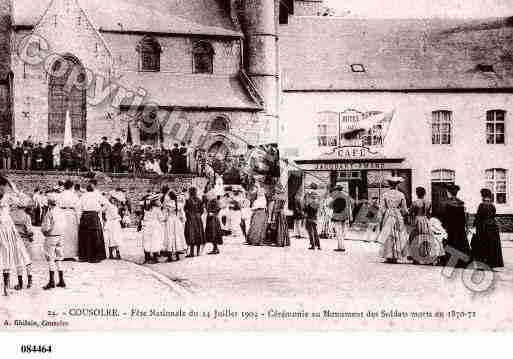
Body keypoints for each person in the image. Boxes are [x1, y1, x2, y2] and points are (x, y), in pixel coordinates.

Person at [376, 177, 409, 263]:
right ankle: (397, 254)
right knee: (398, 234)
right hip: (397, 214)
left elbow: (382, 208)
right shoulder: (401, 195)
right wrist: (403, 214)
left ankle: (389, 255)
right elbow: (404, 209)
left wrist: (380, 217)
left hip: (388, 214)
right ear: (397, 184)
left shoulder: (385, 194)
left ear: (389, 184)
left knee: (388, 234)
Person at [409, 187, 444, 265]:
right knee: (427, 238)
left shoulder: (414, 203)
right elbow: (429, 214)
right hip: (426, 220)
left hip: (417, 219)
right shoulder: (428, 202)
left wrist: (411, 220)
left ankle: (416, 258)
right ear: (424, 194)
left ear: (417, 193)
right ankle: (428, 257)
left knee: (416, 238)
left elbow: (411, 213)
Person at [471, 188, 504, 270]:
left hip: (484, 227)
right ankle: (491, 264)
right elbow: (493, 216)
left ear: (483, 196)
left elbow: (478, 217)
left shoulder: (482, 205)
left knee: (482, 245)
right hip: (493, 228)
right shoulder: (492, 205)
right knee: (492, 246)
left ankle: (482, 264)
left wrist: (474, 225)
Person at [440, 184, 471, 267]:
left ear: (449, 192)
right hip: (460, 228)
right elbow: (464, 217)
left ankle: (452, 261)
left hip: (451, 227)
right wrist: (466, 226)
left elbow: (445, 217)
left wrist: (444, 226)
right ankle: (462, 261)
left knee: (451, 242)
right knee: (461, 243)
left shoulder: (447, 203)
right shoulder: (461, 203)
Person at [41, 194, 66, 290]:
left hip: (51, 236)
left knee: (50, 259)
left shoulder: (49, 213)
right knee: (59, 258)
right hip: (60, 236)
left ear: (49, 203)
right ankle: (61, 280)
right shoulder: (61, 212)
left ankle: (52, 281)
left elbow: (46, 227)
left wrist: (43, 231)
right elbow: (65, 224)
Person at [78, 184, 107, 263]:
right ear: (93, 189)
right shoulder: (97, 195)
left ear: (87, 189)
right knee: (95, 236)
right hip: (93, 215)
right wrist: (100, 210)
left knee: (85, 235)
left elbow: (79, 207)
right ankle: (95, 257)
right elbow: (105, 204)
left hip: (86, 215)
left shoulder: (83, 196)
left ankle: (84, 257)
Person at [10, 196, 34, 290]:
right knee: (28, 260)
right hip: (25, 239)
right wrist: (31, 237)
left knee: (18, 261)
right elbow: (30, 230)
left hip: (16, 239)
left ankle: (20, 283)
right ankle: (29, 281)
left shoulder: (11, 215)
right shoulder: (26, 216)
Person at [57, 180, 80, 261]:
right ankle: (72, 253)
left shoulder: (60, 195)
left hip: (62, 213)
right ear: (71, 187)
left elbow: (57, 206)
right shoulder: (74, 195)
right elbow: (78, 207)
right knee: (72, 234)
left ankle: (63, 253)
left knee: (63, 234)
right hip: (71, 214)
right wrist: (79, 218)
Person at [162, 189, 187, 262]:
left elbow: (166, 215)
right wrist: (183, 220)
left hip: (170, 221)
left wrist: (164, 220)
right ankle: (177, 254)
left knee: (170, 236)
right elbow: (182, 214)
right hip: (177, 221)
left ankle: (170, 256)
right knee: (177, 236)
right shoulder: (179, 204)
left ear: (169, 197)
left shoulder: (168, 204)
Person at [329, 184, 353, 253]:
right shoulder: (346, 196)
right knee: (342, 232)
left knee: (338, 232)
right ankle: (340, 246)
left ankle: (341, 247)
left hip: (337, 216)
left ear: (336, 189)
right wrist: (350, 216)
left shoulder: (335, 196)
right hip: (344, 216)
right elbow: (349, 207)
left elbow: (330, 206)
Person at [141, 194, 165, 264]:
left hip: (147, 225)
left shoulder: (146, 208)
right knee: (155, 240)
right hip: (155, 226)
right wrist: (165, 219)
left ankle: (147, 256)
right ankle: (155, 256)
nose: (159, 201)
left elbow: (144, 218)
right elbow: (161, 218)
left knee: (147, 241)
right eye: (158, 200)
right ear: (155, 202)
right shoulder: (157, 209)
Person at [184, 187, 205, 257]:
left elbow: (185, 210)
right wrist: (198, 215)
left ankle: (192, 252)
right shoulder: (199, 200)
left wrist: (189, 215)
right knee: (198, 234)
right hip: (198, 219)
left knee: (191, 235)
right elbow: (202, 210)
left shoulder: (188, 200)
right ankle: (198, 252)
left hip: (190, 219)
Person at [104, 193, 124, 260]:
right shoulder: (109, 206)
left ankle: (116, 253)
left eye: (116, 200)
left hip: (114, 223)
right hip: (112, 223)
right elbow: (114, 215)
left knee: (115, 238)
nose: (115, 201)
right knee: (111, 238)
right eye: (113, 199)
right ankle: (111, 254)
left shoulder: (114, 206)